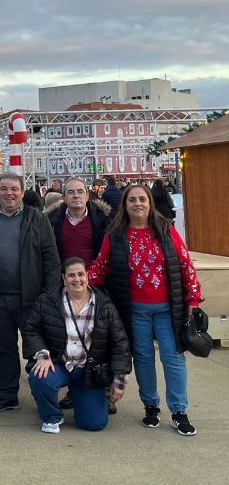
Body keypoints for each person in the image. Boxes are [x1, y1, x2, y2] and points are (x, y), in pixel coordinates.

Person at [88, 184, 203, 436]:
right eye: (132, 200)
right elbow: (101, 266)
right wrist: (76, 284)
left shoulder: (166, 230)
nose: (137, 204)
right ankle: (151, 406)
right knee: (143, 359)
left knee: (173, 358)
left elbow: (185, 265)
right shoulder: (115, 234)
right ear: (125, 205)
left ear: (150, 203)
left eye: (142, 199)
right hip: (135, 311)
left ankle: (179, 411)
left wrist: (193, 300)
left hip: (168, 310)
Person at [0, 171, 61, 413]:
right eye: (4, 189)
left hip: (31, 298)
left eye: (14, 189)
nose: (9, 193)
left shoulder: (37, 219)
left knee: (37, 349)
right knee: (4, 349)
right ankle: (8, 395)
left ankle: (43, 395)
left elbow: (51, 258)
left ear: (22, 192)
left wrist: (50, 294)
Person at [25, 258, 131, 433]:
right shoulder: (47, 300)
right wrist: (42, 356)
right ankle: (51, 416)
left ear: (87, 276)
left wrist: (120, 380)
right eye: (71, 275)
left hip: (88, 370)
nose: (77, 279)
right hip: (59, 363)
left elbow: (120, 342)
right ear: (64, 278)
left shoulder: (104, 304)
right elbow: (31, 329)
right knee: (40, 377)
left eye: (81, 274)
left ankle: (83, 400)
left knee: (95, 424)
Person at [46, 177, 111, 268]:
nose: (76, 196)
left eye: (80, 192)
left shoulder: (102, 220)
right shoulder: (51, 221)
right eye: (71, 192)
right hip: (63, 275)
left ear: (87, 196)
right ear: (64, 198)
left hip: (94, 275)